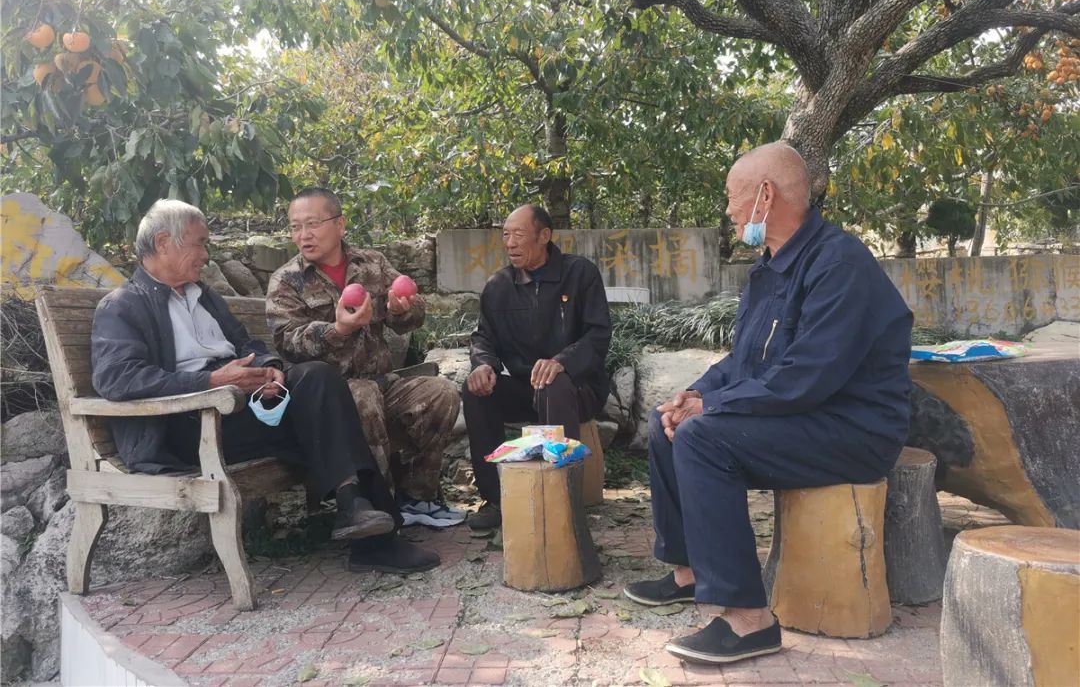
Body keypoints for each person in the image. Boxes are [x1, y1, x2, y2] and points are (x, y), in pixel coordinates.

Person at [624, 142, 912, 665]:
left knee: (702, 437)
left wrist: (711, 410)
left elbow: (807, 376)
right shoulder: (770, 266)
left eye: (732, 197)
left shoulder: (839, 263)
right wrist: (696, 394)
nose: (728, 210)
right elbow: (745, 360)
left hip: (852, 429)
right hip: (801, 416)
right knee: (667, 421)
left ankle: (749, 621)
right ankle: (690, 573)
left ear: (765, 195)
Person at [91, 200, 438, 573]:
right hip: (189, 424)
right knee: (336, 404)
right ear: (163, 243)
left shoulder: (203, 297)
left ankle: (354, 507)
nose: (206, 256)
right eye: (200, 243)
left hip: (241, 408)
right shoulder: (123, 306)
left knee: (317, 377)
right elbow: (117, 378)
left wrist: (268, 371)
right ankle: (374, 538)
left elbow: (248, 346)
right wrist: (211, 381)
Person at [265, 188, 464, 529]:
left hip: (383, 382)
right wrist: (337, 330)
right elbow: (287, 342)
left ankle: (417, 498)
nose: (303, 234)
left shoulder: (372, 264)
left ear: (340, 224)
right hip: (329, 401)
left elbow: (414, 314)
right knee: (362, 396)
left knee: (441, 393)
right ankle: (378, 505)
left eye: (312, 224)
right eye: (296, 226)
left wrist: (402, 309)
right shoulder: (287, 280)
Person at [462, 204, 612, 530]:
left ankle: (562, 500)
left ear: (544, 236)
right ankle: (496, 499)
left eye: (518, 234)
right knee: (475, 391)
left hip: (578, 387)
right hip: (525, 388)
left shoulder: (580, 274)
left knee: (552, 383)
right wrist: (483, 365)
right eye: (506, 235)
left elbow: (599, 334)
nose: (510, 243)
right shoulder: (498, 287)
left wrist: (562, 362)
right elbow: (483, 337)